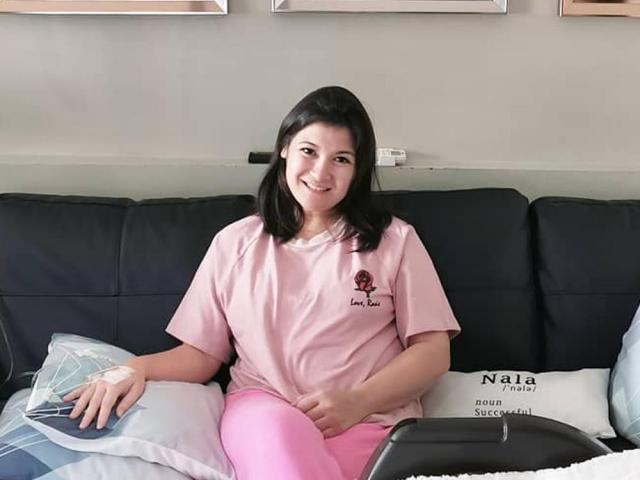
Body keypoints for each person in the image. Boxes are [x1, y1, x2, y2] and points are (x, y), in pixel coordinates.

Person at [63, 86, 460, 480]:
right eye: (308, 151)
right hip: (266, 410)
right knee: (281, 450)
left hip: (370, 419)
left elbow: (432, 350)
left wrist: (358, 401)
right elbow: (201, 355)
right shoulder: (235, 243)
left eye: (341, 159)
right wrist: (136, 368)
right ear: (284, 149)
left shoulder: (395, 241)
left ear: (358, 170)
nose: (321, 172)